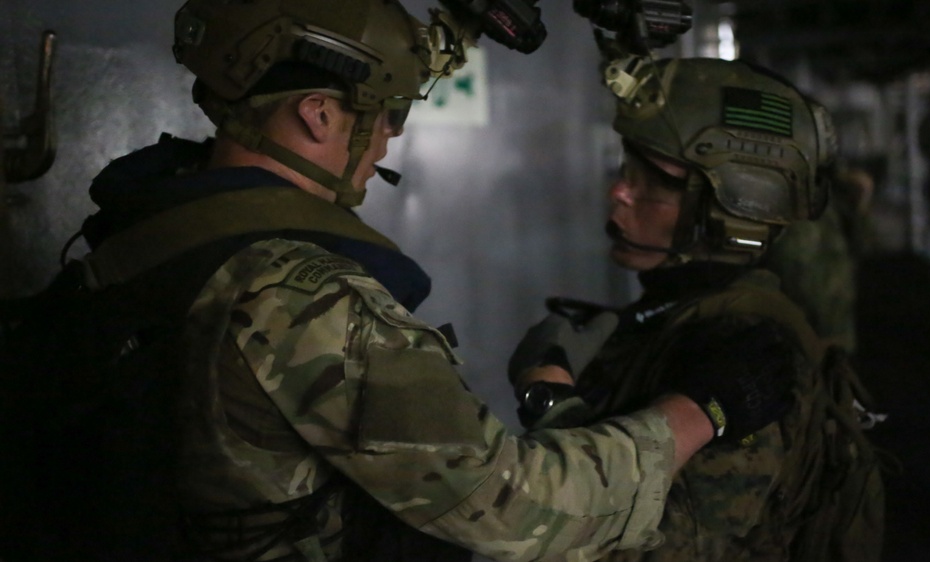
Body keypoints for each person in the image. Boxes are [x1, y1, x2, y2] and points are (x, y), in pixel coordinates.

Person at [1, 3, 798, 562]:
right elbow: (516, 509)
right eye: (385, 112)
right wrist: (704, 411)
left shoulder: (150, 225)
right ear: (317, 115)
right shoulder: (307, 300)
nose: (392, 133)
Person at [508, 57, 884, 561]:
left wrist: (550, 398)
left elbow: (645, 549)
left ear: (733, 207)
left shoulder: (745, 358)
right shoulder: (681, 317)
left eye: (657, 181)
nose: (620, 191)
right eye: (627, 169)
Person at [762, 162, 877, 354]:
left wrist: (861, 205)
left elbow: (864, 246)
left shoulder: (834, 202)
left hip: (821, 320)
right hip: (787, 305)